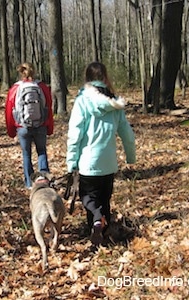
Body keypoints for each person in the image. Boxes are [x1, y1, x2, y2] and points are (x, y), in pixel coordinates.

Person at [66, 62, 136, 247]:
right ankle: (103, 235)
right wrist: (131, 157)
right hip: (109, 163)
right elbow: (127, 135)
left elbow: (75, 135)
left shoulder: (82, 101)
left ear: (87, 79)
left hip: (88, 163)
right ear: (105, 78)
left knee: (88, 197)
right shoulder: (114, 103)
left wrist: (71, 161)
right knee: (105, 199)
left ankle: (96, 223)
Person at [5, 62, 54, 188]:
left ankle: (29, 183)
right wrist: (49, 127)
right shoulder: (42, 87)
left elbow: (9, 110)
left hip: (22, 127)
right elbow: (48, 106)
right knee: (41, 151)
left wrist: (11, 130)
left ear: (21, 72)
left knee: (26, 154)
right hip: (40, 125)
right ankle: (44, 180)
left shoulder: (15, 88)